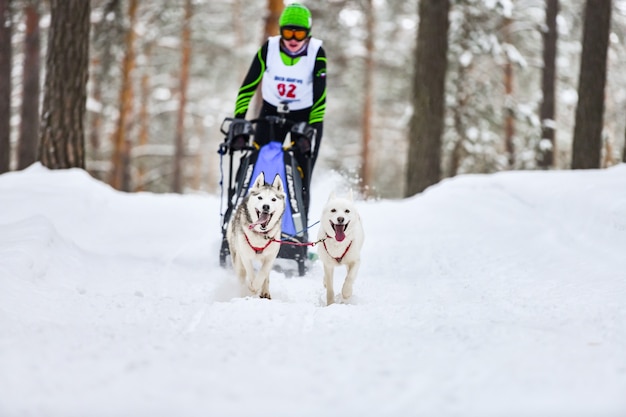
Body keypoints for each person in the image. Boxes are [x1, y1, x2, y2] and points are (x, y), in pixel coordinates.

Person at [232, 3, 327, 212]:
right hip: (270, 110)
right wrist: (239, 119)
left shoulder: (316, 52)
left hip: (304, 115)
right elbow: (248, 87)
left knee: (302, 173)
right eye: (288, 32)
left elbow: (320, 99)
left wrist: (310, 129)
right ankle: (238, 220)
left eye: (299, 33)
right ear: (281, 30)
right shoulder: (269, 48)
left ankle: (298, 237)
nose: (293, 39)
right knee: (252, 165)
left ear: (308, 34)